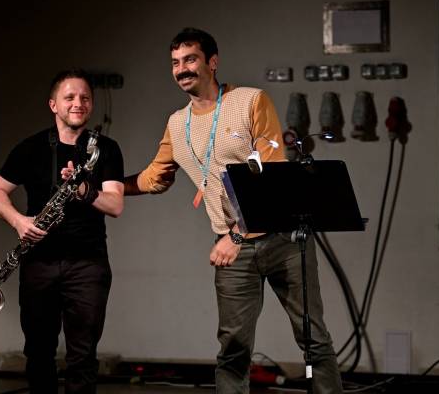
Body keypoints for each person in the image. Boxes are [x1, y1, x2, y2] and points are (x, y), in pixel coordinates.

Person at [123, 27, 343, 393]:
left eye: (190, 59)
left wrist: (237, 235)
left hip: (283, 239)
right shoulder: (177, 123)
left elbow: (272, 172)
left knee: (313, 340)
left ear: (212, 62)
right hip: (233, 250)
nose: (182, 69)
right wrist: (101, 187)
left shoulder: (250, 101)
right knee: (233, 349)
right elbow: (154, 178)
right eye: (175, 63)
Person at [0, 69, 125, 393]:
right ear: (53, 105)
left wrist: (83, 190)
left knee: (83, 358)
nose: (79, 103)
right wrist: (19, 221)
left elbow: (115, 204)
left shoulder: (105, 148)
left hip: (88, 265)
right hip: (39, 263)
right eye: (70, 97)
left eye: (85, 98)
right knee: (38, 354)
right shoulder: (30, 148)